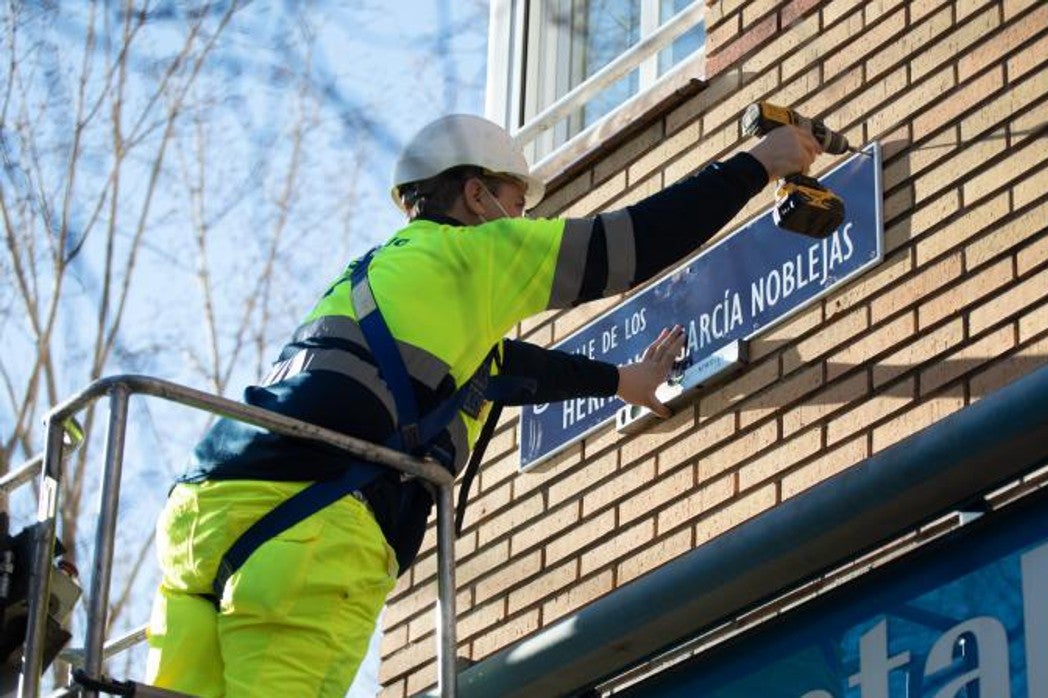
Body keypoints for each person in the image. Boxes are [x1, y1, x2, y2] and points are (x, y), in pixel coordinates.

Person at [144, 114, 820, 696]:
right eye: (516, 203)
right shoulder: (477, 253)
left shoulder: (381, 276)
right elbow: (635, 243)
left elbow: (509, 370)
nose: (522, 223)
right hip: (313, 529)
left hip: (204, 515)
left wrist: (623, 382)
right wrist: (761, 163)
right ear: (475, 195)